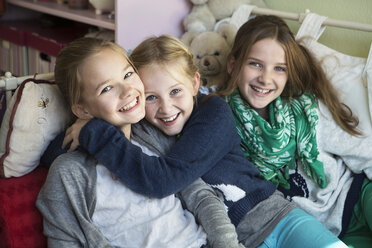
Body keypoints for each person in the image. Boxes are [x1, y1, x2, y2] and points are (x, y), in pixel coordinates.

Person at [60, 34, 348, 247]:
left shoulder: (214, 113)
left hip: (277, 219)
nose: (166, 108)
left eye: (176, 92)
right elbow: (67, 159)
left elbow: (162, 180)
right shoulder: (144, 127)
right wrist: (87, 124)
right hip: (232, 239)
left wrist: (93, 130)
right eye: (151, 97)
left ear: (195, 83)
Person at [36, 37, 238, 248]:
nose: (127, 91)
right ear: (82, 110)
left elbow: (200, 196)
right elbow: (64, 240)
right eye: (106, 88)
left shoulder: (154, 134)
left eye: (128, 74)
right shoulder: (68, 172)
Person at [216, 15, 372, 248]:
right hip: (315, 229)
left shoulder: (304, 109)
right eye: (255, 64)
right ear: (232, 65)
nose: (265, 78)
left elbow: (361, 152)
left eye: (279, 68)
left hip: (356, 197)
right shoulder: (219, 122)